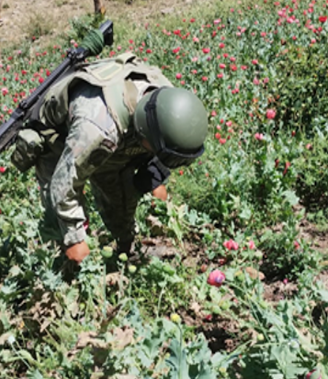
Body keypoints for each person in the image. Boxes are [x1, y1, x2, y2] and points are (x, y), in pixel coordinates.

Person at [11, 51, 209, 264]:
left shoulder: (167, 99)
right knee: (60, 222)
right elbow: (64, 184)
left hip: (118, 133)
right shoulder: (97, 130)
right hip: (58, 140)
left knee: (121, 198)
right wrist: (74, 238)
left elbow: (164, 139)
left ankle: (127, 250)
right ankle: (60, 270)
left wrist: (155, 174)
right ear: (144, 133)